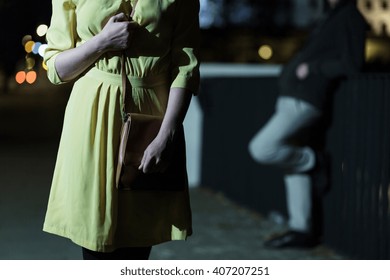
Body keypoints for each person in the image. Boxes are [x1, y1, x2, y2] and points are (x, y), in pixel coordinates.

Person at [43, 0, 200, 260]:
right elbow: (56, 69)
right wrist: (102, 42)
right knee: (94, 238)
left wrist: (168, 133)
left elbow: (186, 67)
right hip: (91, 118)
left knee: (138, 236)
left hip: (151, 121)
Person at [248, 0, 367, 248]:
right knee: (293, 168)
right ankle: (301, 229)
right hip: (292, 99)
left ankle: (314, 160)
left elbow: (352, 64)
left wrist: (313, 68)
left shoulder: (350, 15)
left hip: (305, 101)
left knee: (261, 148)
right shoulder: (330, 16)